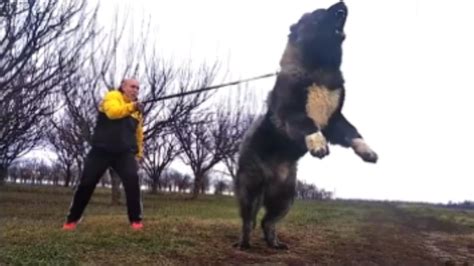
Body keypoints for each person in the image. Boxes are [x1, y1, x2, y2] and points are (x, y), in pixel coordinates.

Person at [62, 78, 145, 231]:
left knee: (133, 181)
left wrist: (138, 154)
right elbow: (113, 113)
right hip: (101, 150)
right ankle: (72, 219)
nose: (136, 90)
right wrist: (132, 107)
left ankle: (136, 221)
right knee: (87, 184)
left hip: (124, 153)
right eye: (132, 86)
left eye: (138, 88)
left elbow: (138, 134)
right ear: (123, 86)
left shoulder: (137, 110)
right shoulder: (113, 96)